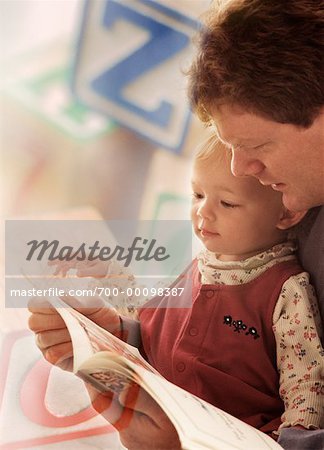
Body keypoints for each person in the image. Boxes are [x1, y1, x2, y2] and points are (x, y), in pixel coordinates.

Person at [29, 0, 324, 448]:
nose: (242, 168)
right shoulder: (285, 195)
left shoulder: (286, 267)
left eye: (257, 144)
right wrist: (113, 336)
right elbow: (177, 334)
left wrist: (183, 443)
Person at [29, 135, 324, 447]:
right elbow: (150, 321)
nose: (203, 213)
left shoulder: (286, 289)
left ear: (286, 214)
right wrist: (108, 275)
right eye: (197, 195)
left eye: (227, 203)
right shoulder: (200, 265)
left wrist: (292, 439)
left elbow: (306, 380)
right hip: (159, 407)